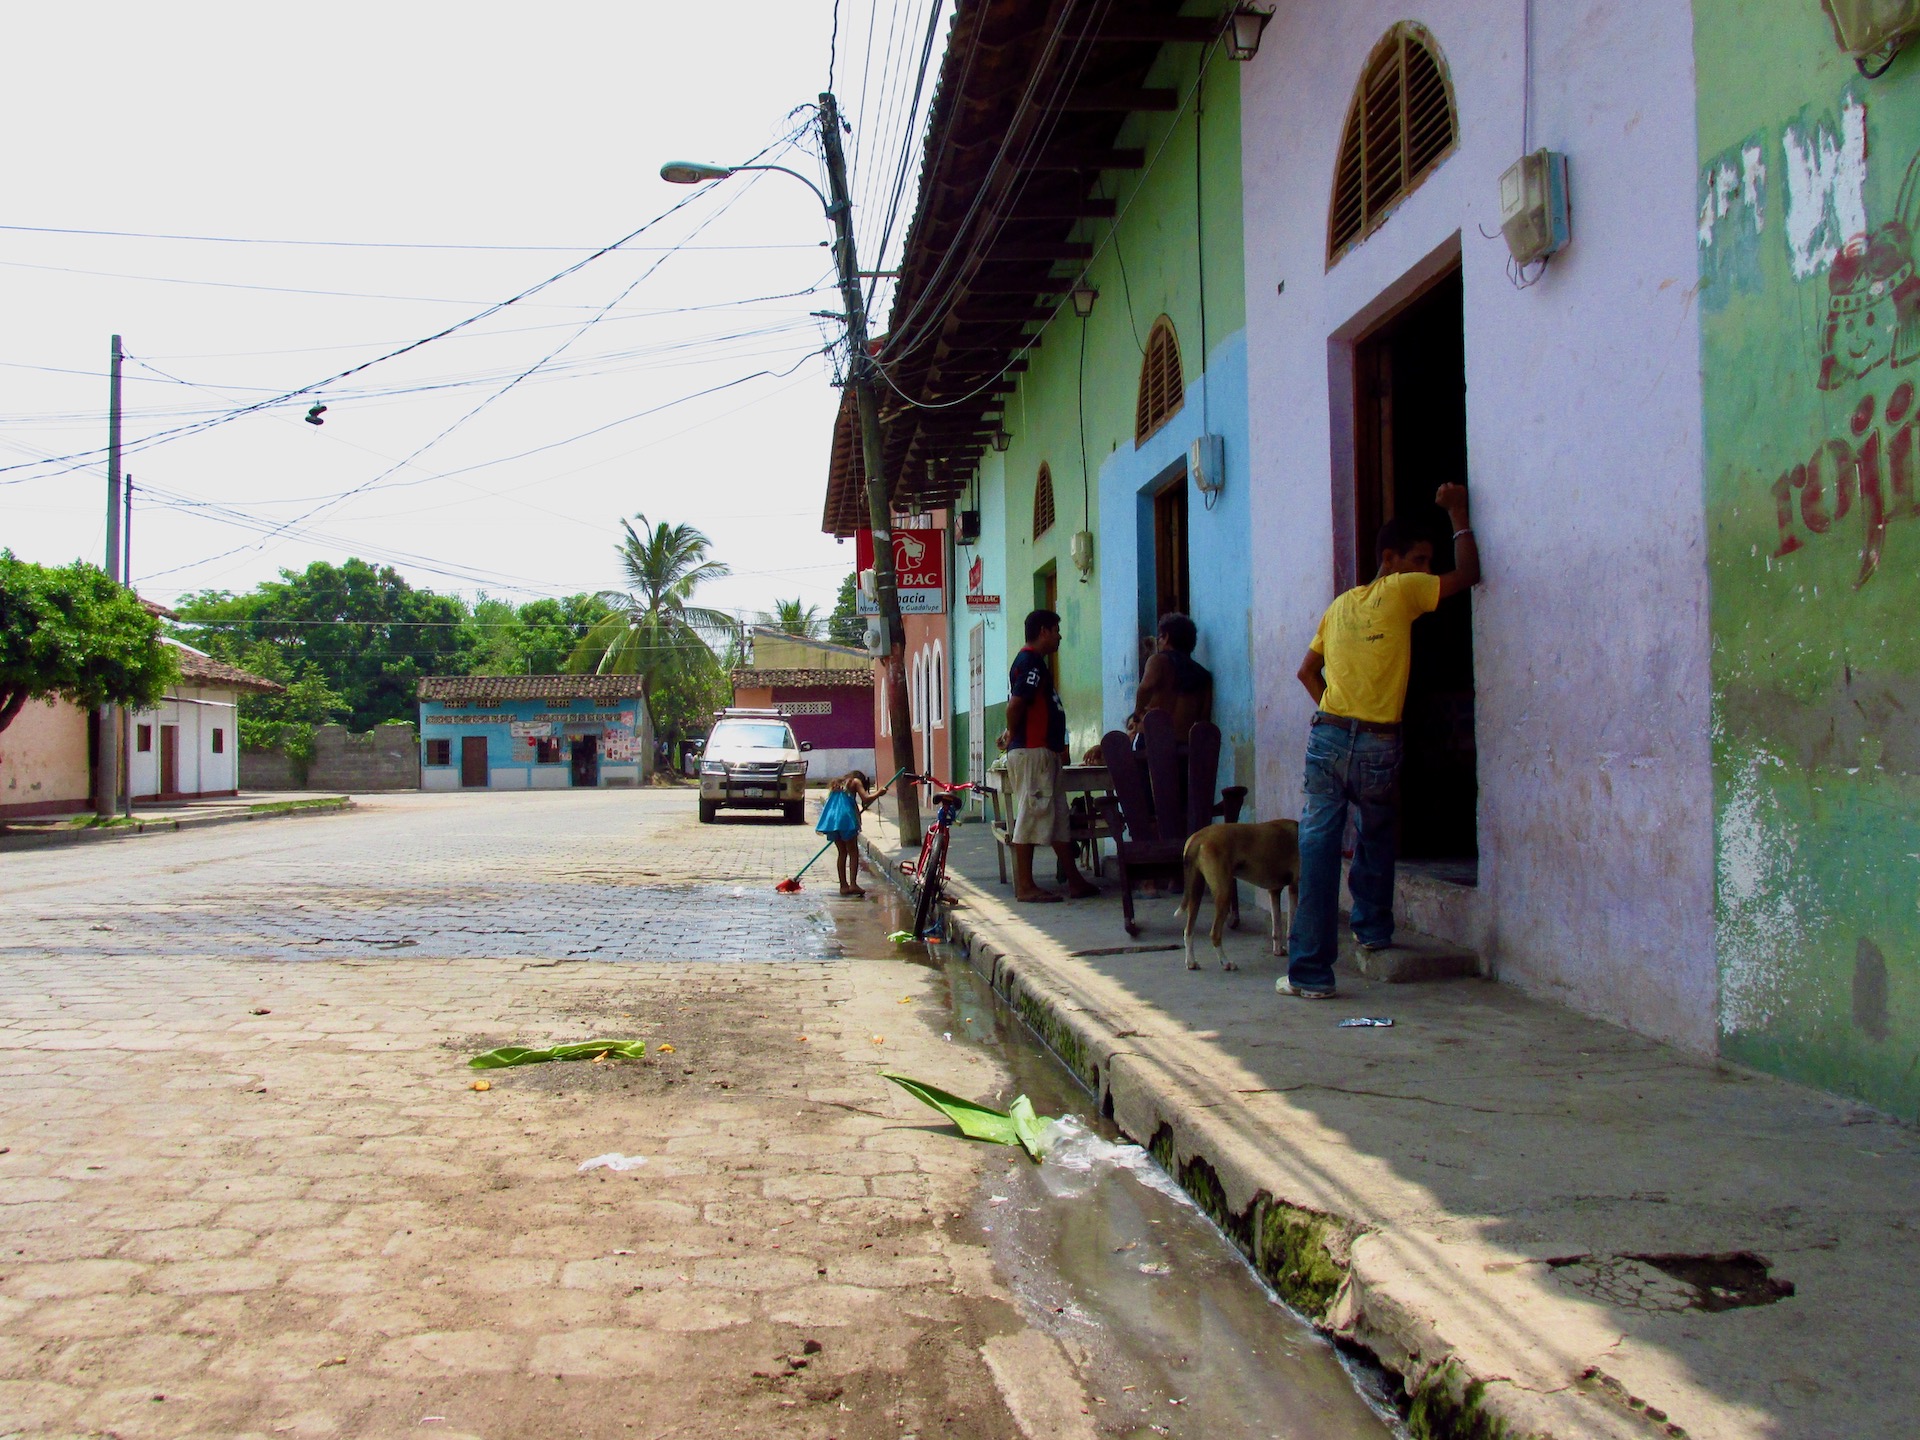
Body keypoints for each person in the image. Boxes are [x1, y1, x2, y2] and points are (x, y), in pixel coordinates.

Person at [1279, 483, 1481, 999]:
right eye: (1418, 559)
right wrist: (1458, 514)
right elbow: (1469, 575)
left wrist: (1336, 713)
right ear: (1389, 560)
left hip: (1326, 734)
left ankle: (1309, 975)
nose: (1425, 570)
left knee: (1319, 846)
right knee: (1376, 833)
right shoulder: (1404, 589)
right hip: (1377, 740)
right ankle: (1370, 930)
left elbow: (1306, 671)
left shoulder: (1339, 605)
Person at [999, 609, 1098, 904]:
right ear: (1043, 631)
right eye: (1056, 630)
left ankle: (1075, 880)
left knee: (1057, 818)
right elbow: (1016, 705)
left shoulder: (1038, 664)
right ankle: (1025, 886)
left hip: (1045, 751)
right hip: (1033, 752)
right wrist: (1012, 733)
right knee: (1031, 814)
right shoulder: (1030, 662)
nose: (1059, 636)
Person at [1131, 612, 1213, 739]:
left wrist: (1137, 714)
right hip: (1184, 746)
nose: (1158, 641)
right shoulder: (1205, 677)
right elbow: (1204, 721)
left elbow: (1145, 687)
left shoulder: (1158, 660)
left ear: (1167, 637)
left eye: (1160, 637)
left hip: (1151, 743)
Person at [815, 770, 879, 897]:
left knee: (842, 852)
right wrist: (880, 793)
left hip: (832, 820)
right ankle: (853, 884)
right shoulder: (855, 781)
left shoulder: (836, 784)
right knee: (853, 852)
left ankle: (843, 886)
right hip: (846, 819)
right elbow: (865, 798)